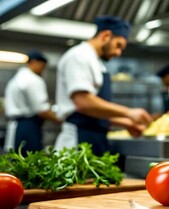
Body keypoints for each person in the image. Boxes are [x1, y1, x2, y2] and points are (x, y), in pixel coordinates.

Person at [54, 16, 152, 156]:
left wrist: (126, 123)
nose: (118, 53)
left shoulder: (96, 62)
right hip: (78, 139)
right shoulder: (79, 56)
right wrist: (128, 112)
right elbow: (84, 103)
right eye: (118, 45)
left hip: (94, 136)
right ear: (106, 36)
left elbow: (96, 113)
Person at [4, 50, 62, 154]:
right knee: (30, 162)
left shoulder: (16, 79)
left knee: (17, 161)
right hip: (28, 127)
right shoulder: (33, 80)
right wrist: (60, 120)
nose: (42, 70)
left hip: (17, 126)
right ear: (34, 62)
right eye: (42, 66)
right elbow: (42, 110)